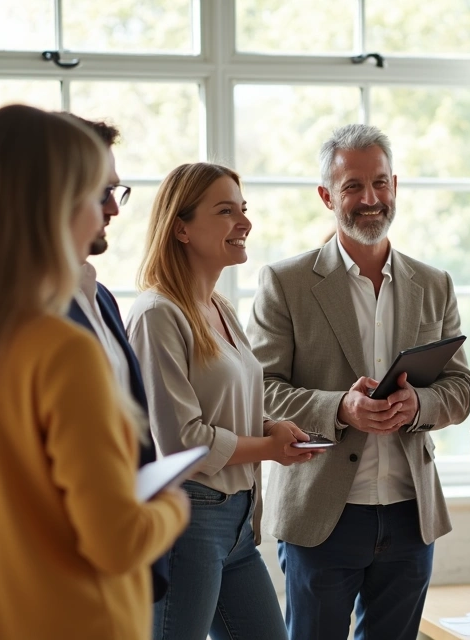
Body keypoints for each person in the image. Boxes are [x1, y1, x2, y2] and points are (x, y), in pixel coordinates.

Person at [0, 104, 188, 640]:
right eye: (95, 195)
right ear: (56, 205)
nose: (104, 216)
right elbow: (115, 539)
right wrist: (172, 507)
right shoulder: (61, 352)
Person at [247, 123, 470, 640]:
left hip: (409, 514)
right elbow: (260, 387)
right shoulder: (286, 282)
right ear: (327, 194)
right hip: (322, 513)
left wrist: (418, 404)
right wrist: (339, 409)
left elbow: (461, 387)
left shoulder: (434, 283)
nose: (369, 199)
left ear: (395, 184)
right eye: (353, 186)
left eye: (379, 183)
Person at [127, 162, 318, 640]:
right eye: (225, 211)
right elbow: (181, 443)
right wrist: (268, 449)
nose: (245, 222)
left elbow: (232, 402)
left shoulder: (220, 309)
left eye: (244, 209)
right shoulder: (156, 315)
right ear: (182, 228)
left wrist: (272, 426)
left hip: (235, 521)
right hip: (190, 519)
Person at [62, 114, 170, 601]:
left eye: (117, 191)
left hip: (126, 563)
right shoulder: (32, 317)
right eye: (103, 191)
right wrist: (171, 512)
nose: (114, 208)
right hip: (73, 574)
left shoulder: (100, 296)